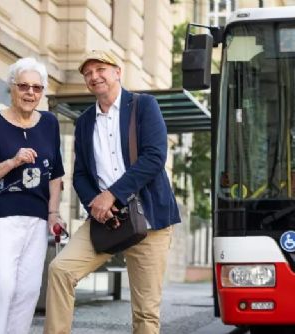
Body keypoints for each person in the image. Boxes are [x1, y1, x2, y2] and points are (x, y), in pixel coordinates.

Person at [44, 50, 181, 334]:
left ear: (117, 72)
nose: (94, 76)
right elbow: (80, 174)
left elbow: (154, 157)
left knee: (145, 312)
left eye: (100, 69)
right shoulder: (84, 122)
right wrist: (96, 204)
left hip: (150, 220)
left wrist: (113, 195)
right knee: (61, 270)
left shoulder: (144, 106)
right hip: (105, 220)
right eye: (88, 73)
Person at [0, 57, 65, 334]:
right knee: (2, 284)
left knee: (28, 289)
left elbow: (56, 175)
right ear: (12, 88)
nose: (30, 93)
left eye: (37, 88)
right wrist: (12, 162)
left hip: (36, 216)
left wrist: (53, 214)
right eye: (24, 86)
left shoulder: (49, 123)